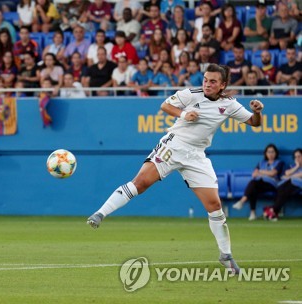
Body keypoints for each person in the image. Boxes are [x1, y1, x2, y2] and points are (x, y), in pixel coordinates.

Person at [87, 63, 265, 275]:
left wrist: (257, 112)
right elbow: (165, 105)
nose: (207, 84)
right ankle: (100, 214)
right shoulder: (191, 94)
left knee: (214, 205)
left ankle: (225, 255)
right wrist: (183, 115)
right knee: (140, 183)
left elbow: (254, 123)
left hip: (197, 156)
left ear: (223, 85)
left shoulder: (229, 104)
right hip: (174, 145)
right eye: (206, 79)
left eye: (213, 81)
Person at [232, 144, 284, 220]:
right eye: (269, 152)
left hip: (272, 184)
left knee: (253, 185)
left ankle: (242, 201)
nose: (270, 154)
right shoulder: (261, 163)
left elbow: (273, 173)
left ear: (276, 153)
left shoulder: (279, 163)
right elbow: (254, 174)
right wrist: (266, 173)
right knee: (253, 188)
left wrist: (261, 171)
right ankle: (252, 213)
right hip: (260, 183)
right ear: (266, 153)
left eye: (272, 152)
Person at [265, 148, 302, 221]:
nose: (297, 158)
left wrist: (290, 176)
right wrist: (297, 166)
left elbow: (299, 175)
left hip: (299, 185)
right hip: (289, 183)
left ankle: (272, 211)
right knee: (281, 189)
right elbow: (286, 173)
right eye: (295, 157)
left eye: (299, 156)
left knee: (285, 190)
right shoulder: (292, 166)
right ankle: (273, 212)